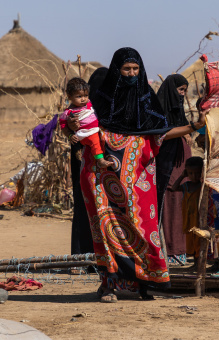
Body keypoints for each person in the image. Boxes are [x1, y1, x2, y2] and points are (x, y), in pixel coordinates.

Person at [70, 48, 207, 303]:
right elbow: (77, 128)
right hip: (101, 178)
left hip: (138, 180)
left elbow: (162, 133)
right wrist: (71, 126)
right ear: (116, 72)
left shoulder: (147, 104)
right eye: (126, 70)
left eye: (135, 69)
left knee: (142, 227)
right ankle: (109, 285)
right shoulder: (97, 104)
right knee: (105, 228)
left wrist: (194, 126)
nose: (132, 74)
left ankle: (145, 282)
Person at [70, 68, 108, 256]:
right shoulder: (80, 111)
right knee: (84, 204)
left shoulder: (105, 107)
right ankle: (81, 254)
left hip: (100, 165)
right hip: (84, 162)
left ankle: (98, 255)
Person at [157, 74, 192, 265]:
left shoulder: (178, 113)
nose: (183, 94)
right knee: (170, 205)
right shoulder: (159, 112)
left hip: (181, 167)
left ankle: (181, 250)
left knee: (181, 206)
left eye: (185, 90)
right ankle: (171, 251)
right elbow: (162, 135)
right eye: (180, 90)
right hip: (168, 167)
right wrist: (191, 128)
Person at [59, 77, 112, 169]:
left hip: (95, 129)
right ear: (69, 97)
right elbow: (63, 125)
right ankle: (101, 161)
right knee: (95, 143)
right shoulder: (68, 112)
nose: (83, 99)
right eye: (79, 96)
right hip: (86, 133)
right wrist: (70, 135)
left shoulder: (89, 103)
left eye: (86, 95)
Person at [171, 156, 204, 269]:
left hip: (200, 220)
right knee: (191, 242)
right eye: (190, 173)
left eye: (197, 173)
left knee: (200, 242)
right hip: (189, 220)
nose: (194, 176)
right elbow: (174, 188)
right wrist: (182, 176)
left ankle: (200, 264)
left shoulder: (203, 186)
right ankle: (195, 263)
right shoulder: (186, 186)